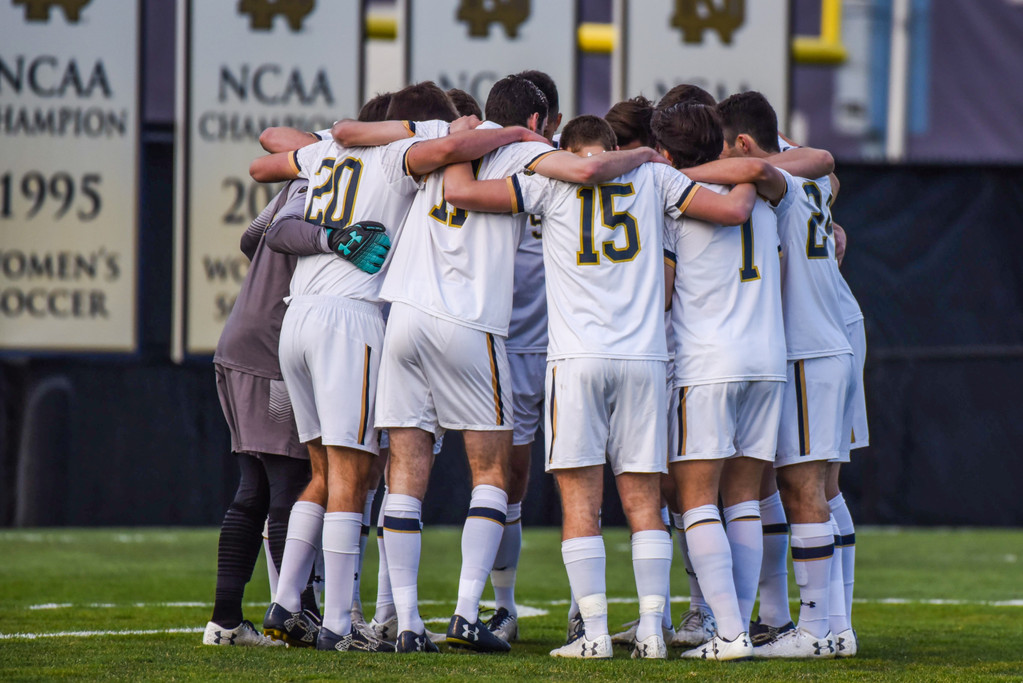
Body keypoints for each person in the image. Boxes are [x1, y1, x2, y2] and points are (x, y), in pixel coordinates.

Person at [342, 74, 669, 654]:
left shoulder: (443, 143)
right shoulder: (532, 152)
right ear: (542, 121)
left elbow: (349, 133)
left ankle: (407, 621)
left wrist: (449, 132)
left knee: (406, 471)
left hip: (404, 315)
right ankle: (472, 611)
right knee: (493, 474)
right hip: (474, 323)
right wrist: (638, 154)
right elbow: (588, 172)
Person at [444, 113, 758, 660]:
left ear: (568, 149)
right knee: (644, 504)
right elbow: (732, 210)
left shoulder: (549, 181)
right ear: (615, 146)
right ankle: (654, 631)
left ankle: (593, 635)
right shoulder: (656, 178)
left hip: (577, 360)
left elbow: (461, 193)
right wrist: (757, 169)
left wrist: (456, 142)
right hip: (643, 358)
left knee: (580, 503)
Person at [249, 81, 547, 653]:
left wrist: (331, 140)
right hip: (354, 318)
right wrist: (496, 132)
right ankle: (341, 622)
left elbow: (267, 159)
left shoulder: (334, 150)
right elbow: (436, 155)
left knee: (324, 472)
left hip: (302, 315)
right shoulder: (402, 154)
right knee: (354, 476)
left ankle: (288, 603)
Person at [202, 177, 320, 648]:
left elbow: (252, 235)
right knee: (287, 483)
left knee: (255, 485)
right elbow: (275, 236)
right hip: (271, 351)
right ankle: (296, 611)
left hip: (237, 341)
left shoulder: (303, 177)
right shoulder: (351, 178)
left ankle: (226, 621)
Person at [482, 69, 564, 645]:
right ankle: (503, 606)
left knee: (525, 482)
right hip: (527, 344)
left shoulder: (470, 163)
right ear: (544, 121)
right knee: (511, 481)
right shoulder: (574, 164)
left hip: (539, 345)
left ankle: (391, 607)